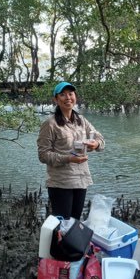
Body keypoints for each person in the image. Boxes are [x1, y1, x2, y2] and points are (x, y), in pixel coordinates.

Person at [37, 81, 105, 220]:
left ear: (75, 97)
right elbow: (43, 155)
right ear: (55, 99)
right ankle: (55, 242)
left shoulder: (81, 120)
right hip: (61, 182)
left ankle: (69, 243)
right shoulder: (50, 124)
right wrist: (68, 158)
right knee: (62, 225)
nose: (68, 97)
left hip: (81, 180)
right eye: (62, 95)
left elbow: (99, 138)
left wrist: (96, 143)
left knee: (74, 222)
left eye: (70, 94)